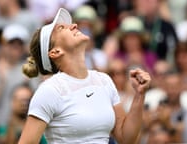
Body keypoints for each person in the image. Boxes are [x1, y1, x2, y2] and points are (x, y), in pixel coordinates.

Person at [18, 8, 151, 144]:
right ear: (55, 52)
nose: (74, 25)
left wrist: (139, 95)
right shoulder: (50, 90)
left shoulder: (104, 80)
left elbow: (126, 138)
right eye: (62, 28)